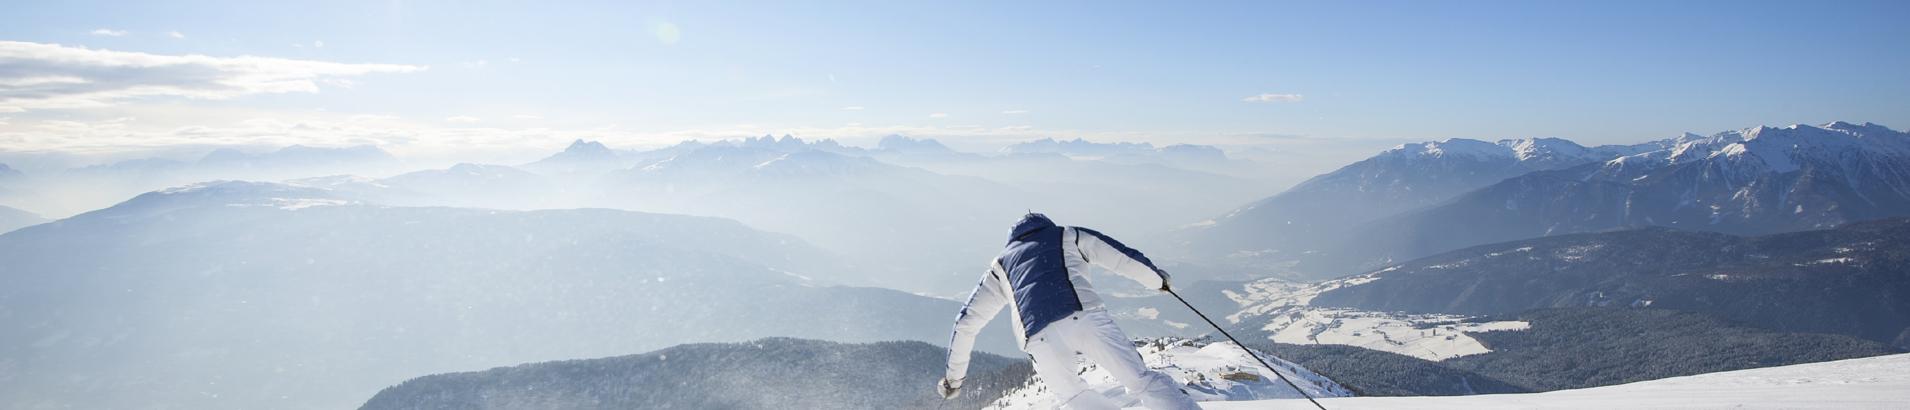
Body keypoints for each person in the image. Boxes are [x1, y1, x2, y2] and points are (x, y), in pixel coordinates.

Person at [938, 213, 1201, 410]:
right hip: (1084, 317)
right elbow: (1120, 257)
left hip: (1039, 338)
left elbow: (966, 323)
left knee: (1074, 396)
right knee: (1140, 380)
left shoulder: (1000, 267)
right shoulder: (1066, 235)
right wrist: (1157, 280)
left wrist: (954, 380)